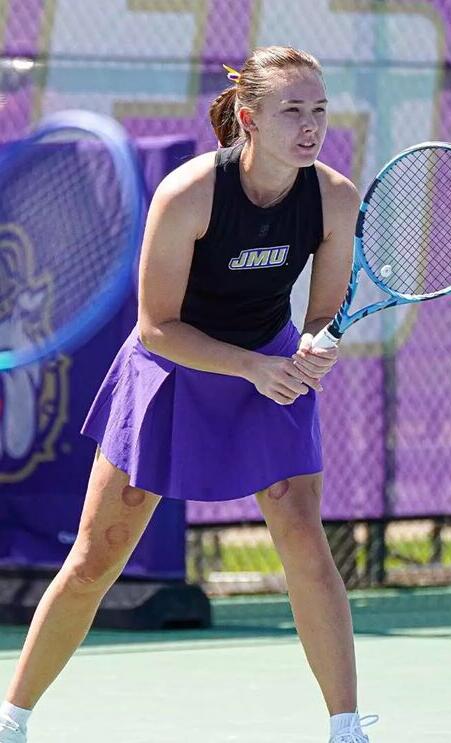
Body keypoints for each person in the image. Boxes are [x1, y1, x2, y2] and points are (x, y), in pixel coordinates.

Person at [0, 46, 377, 743]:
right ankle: (12, 718)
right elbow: (156, 328)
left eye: (319, 110)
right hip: (174, 367)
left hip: (265, 363)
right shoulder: (189, 194)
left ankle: (346, 727)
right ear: (248, 116)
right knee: (97, 555)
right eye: (291, 109)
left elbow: (323, 310)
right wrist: (252, 367)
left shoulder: (334, 197)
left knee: (303, 537)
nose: (310, 125)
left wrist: (316, 346)